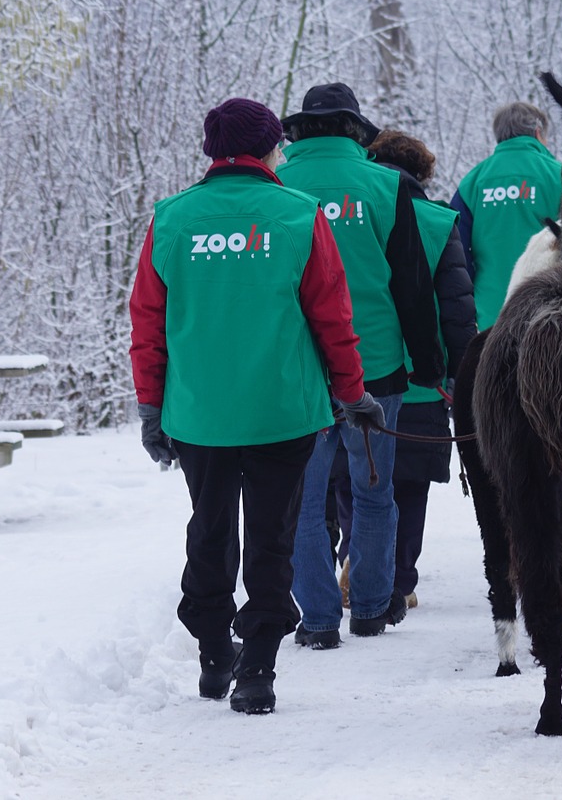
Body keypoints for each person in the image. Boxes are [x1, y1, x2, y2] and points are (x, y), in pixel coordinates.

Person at [128, 97, 383, 715]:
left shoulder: (172, 218)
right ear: (270, 150)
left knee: (209, 530)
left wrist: (151, 408)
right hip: (282, 411)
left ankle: (215, 654)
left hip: (198, 414)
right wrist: (353, 394)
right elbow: (333, 317)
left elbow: (147, 324)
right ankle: (259, 671)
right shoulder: (298, 215)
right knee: (273, 537)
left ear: (212, 152)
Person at [277, 82, 445, 648]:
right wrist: (428, 362)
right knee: (375, 492)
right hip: (374, 369)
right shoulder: (387, 184)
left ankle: (319, 620)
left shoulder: (277, 186)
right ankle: (371, 608)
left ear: (300, 130)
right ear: (355, 130)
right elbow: (411, 284)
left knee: (303, 501)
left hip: (299, 374)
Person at [364, 128, 476, 608]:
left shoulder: (345, 214)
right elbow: (455, 307)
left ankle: (361, 562)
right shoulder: (436, 220)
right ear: (424, 173)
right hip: (420, 386)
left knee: (359, 479)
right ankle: (398, 580)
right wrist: (461, 373)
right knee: (409, 486)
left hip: (356, 378)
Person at [450, 101, 562, 330]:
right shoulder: (560, 176)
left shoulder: (473, 181)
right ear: (538, 133)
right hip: (548, 313)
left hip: (489, 316)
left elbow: (455, 251)